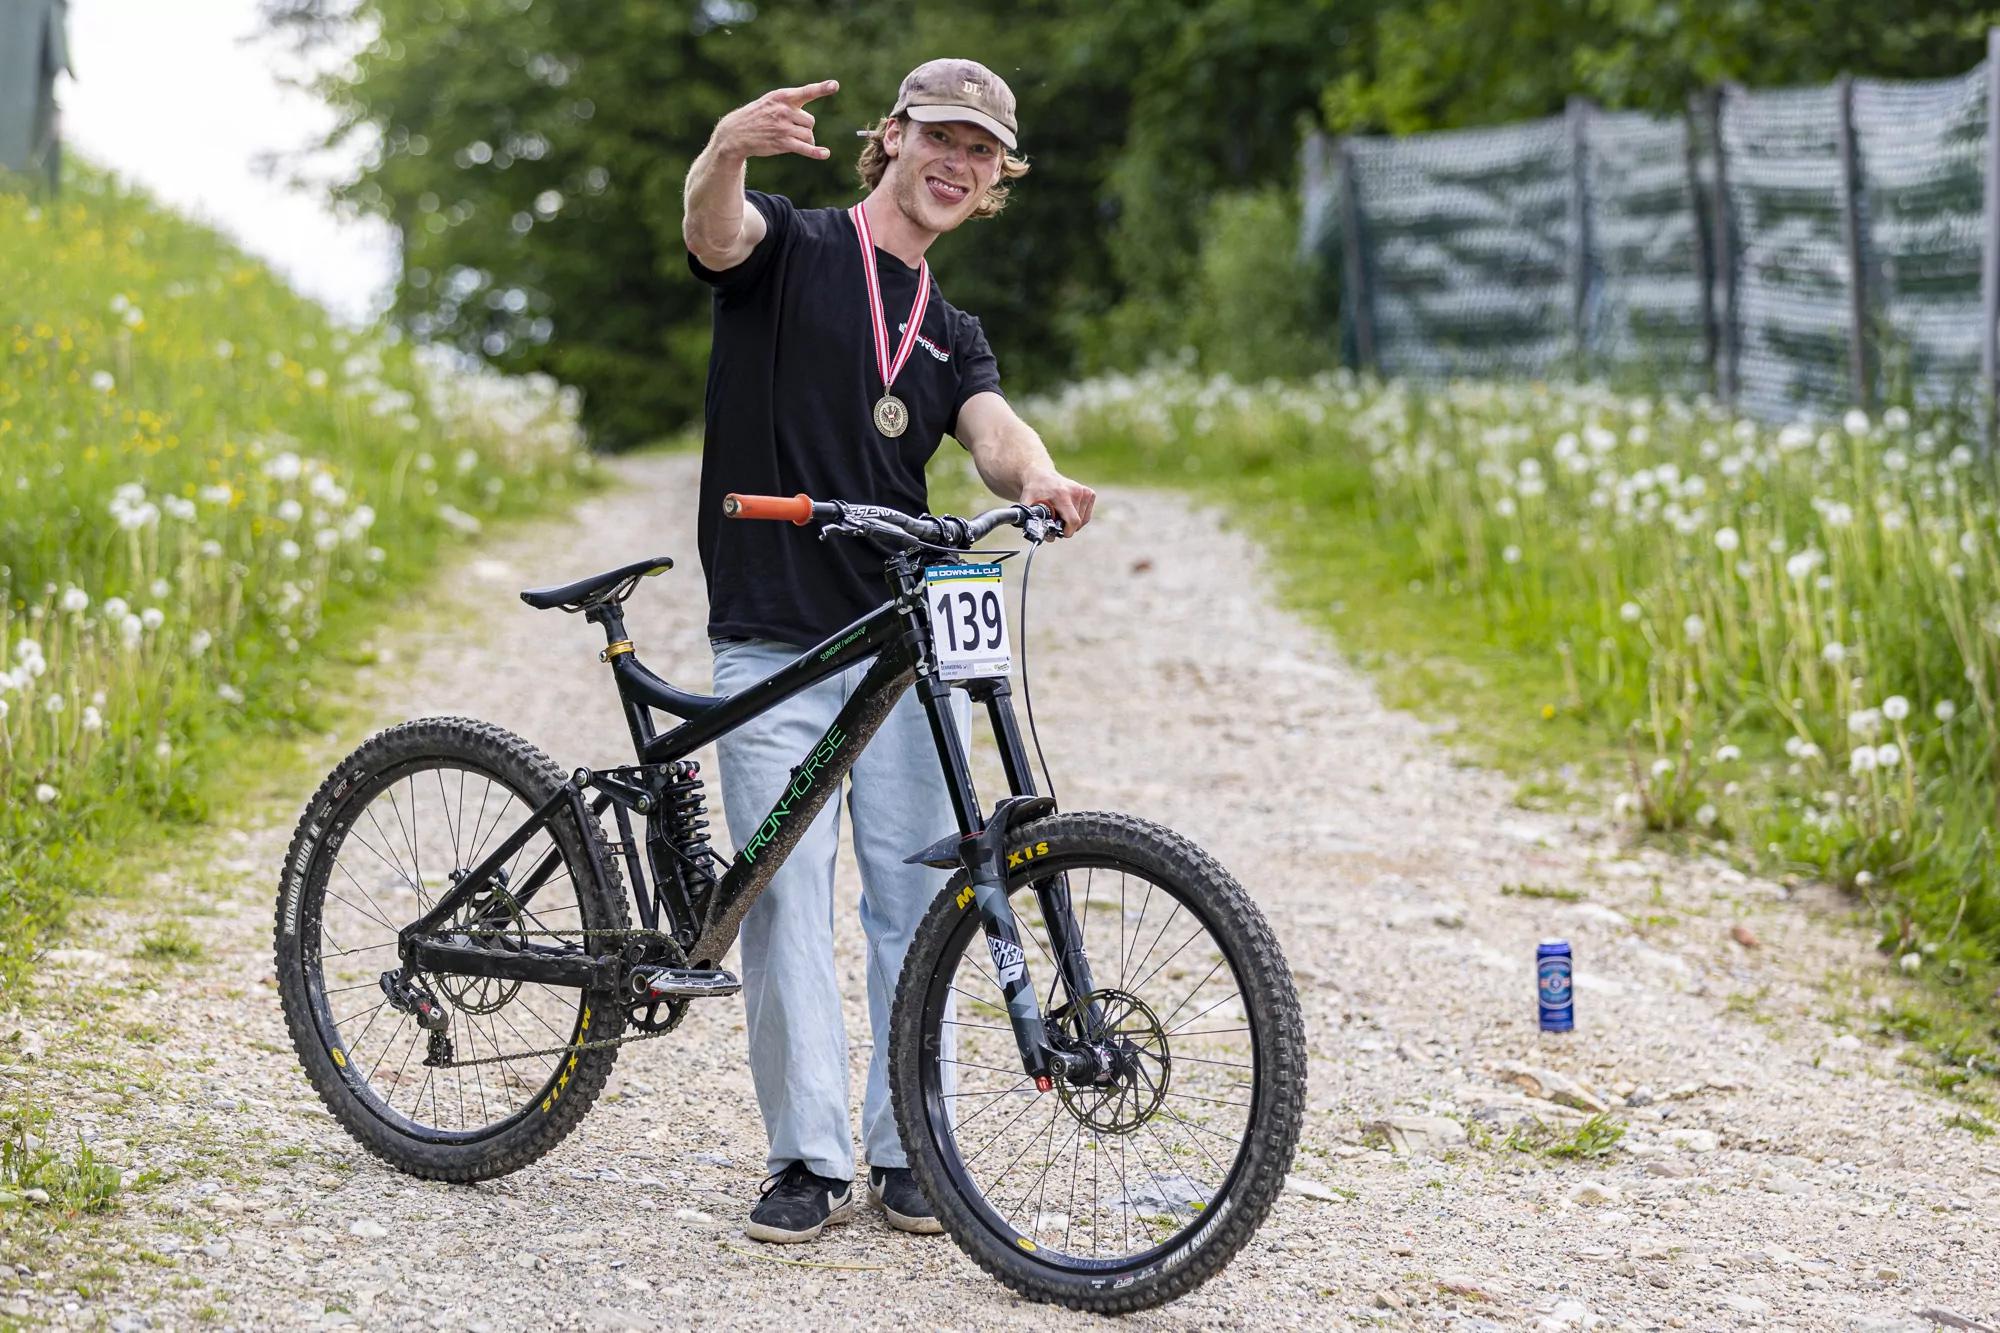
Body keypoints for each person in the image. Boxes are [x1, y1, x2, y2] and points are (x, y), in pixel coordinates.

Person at [680, 58, 1095, 1244]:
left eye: (980, 152)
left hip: (900, 642)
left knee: (920, 896)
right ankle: (805, 1156)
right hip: (774, 631)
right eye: (940, 138)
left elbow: (991, 430)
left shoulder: (949, 332)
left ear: (994, 176)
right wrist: (725, 148)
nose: (956, 164)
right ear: (895, 136)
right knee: (783, 894)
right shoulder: (792, 246)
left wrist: (1038, 476)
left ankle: (909, 1144)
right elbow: (713, 235)